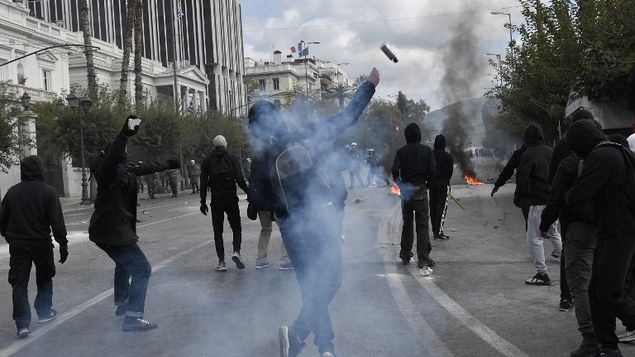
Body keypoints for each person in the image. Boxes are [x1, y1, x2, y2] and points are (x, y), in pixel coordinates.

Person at [247, 67, 378, 357]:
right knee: (329, 281)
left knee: (316, 285)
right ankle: (324, 347)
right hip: (322, 218)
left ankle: (300, 338)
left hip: (294, 228)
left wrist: (284, 210)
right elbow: (345, 119)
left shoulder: (260, 156)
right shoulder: (300, 135)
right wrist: (368, 85)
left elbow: (256, 197)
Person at [89, 115, 179, 331]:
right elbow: (113, 158)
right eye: (122, 154)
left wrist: (167, 164)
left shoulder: (122, 170)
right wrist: (124, 134)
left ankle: (122, 303)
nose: (125, 157)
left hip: (112, 230)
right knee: (142, 269)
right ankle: (132, 317)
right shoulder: (107, 171)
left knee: (124, 263)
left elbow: (143, 167)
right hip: (112, 230)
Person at [565, 120, 635, 357]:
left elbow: (579, 193)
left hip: (620, 233)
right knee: (596, 292)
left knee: (610, 293)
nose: (575, 152)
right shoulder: (616, 151)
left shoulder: (602, 156)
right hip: (613, 231)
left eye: (575, 146)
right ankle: (609, 347)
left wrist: (568, 196)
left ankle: (610, 346)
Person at [0, 155, 68, 339]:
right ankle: (44, 311)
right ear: (40, 169)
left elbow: (2, 219)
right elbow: (57, 221)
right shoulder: (49, 191)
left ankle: (22, 324)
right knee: (45, 277)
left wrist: (8, 235)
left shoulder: (12, 192)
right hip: (41, 243)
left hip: (19, 245)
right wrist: (63, 244)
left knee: (19, 283)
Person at [540, 149, 599, 357]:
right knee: (600, 284)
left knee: (579, 284)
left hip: (578, 230)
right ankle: (607, 336)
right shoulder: (609, 159)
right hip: (607, 230)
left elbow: (556, 197)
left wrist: (545, 223)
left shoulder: (569, 164)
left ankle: (591, 338)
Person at [515, 123, 562, 286]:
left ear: (527, 137)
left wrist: (520, 198)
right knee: (553, 232)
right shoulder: (551, 151)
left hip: (538, 202)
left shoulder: (528, 154)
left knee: (534, 238)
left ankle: (542, 273)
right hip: (553, 202)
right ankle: (568, 264)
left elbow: (522, 180)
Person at [392, 122, 436, 277]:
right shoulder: (427, 151)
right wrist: (427, 184)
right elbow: (432, 170)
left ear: (406, 137)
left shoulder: (401, 152)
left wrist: (401, 184)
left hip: (406, 192)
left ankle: (405, 254)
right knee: (422, 225)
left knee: (407, 224)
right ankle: (423, 259)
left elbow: (394, 170)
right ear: (419, 136)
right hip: (420, 190)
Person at [200, 135, 249, 272]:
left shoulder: (207, 161)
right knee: (236, 227)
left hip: (216, 198)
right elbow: (240, 179)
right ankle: (236, 251)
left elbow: (203, 183)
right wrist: (250, 193)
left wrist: (202, 201)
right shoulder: (233, 159)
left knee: (218, 231)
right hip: (231, 197)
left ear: (214, 145)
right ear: (225, 144)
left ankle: (221, 262)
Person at [491, 145, 528, 220]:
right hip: (545, 195)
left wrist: (497, 185)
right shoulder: (549, 152)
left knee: (530, 224)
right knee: (548, 228)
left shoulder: (520, 153)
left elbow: (508, 170)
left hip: (527, 195)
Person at [429, 134, 453, 240]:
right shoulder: (448, 156)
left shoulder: (430, 155)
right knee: (441, 209)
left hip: (432, 185)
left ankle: (435, 230)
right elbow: (450, 172)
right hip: (443, 185)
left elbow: (428, 169)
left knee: (433, 208)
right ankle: (438, 232)